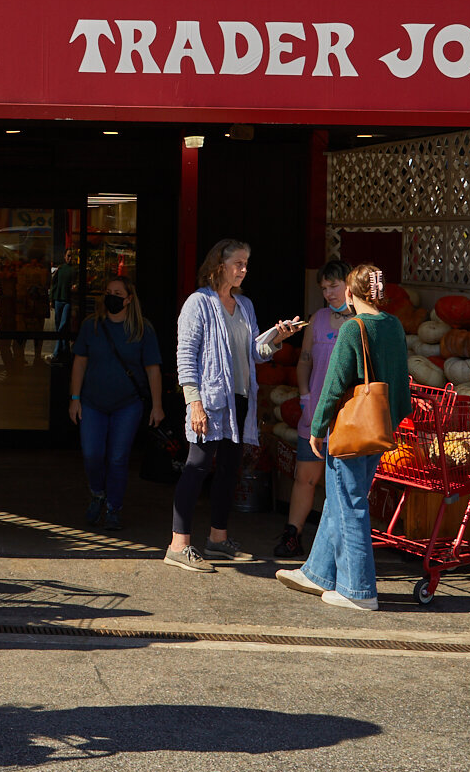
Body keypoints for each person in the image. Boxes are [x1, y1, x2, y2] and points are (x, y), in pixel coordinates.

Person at [277, 264, 412, 611]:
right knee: (340, 501)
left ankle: (359, 589)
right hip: (379, 426)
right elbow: (401, 379)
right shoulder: (393, 325)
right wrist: (394, 419)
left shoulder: (353, 328)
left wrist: (318, 428)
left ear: (350, 294)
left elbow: (334, 386)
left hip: (349, 429)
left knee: (349, 503)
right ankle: (318, 573)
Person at [167, 238, 304, 572]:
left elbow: (255, 352)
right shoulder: (197, 304)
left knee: (229, 470)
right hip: (210, 401)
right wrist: (193, 403)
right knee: (197, 466)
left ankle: (217, 539)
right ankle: (178, 544)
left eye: (246, 263)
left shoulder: (244, 305)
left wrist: (277, 337)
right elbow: (185, 356)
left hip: (240, 401)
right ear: (219, 265)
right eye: (238, 263)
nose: (244, 269)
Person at [68, 274, 162, 530]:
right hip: (92, 403)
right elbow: (80, 362)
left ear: (129, 299)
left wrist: (157, 405)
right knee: (92, 454)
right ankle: (98, 493)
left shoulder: (142, 329)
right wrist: (74, 398)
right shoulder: (92, 326)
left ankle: (114, 508)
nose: (112, 297)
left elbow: (153, 368)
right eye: (108, 292)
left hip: (127, 404)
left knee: (118, 458)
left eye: (118, 294)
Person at [275, 260, 352, 559]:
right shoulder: (317, 319)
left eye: (334, 286)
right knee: (305, 477)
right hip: (315, 414)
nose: (329, 293)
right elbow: (304, 359)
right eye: (324, 289)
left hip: (347, 417)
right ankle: (292, 534)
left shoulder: (360, 321)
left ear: (350, 284)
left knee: (341, 485)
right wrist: (305, 397)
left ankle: (334, 548)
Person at [49, 248, 79, 361]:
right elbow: (54, 284)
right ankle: (65, 350)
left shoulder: (75, 270)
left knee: (62, 325)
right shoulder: (60, 269)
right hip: (58, 299)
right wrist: (51, 298)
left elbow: (78, 283)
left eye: (71, 256)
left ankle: (57, 352)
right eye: (68, 256)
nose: (70, 258)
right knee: (59, 326)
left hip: (67, 300)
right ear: (64, 256)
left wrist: (75, 287)